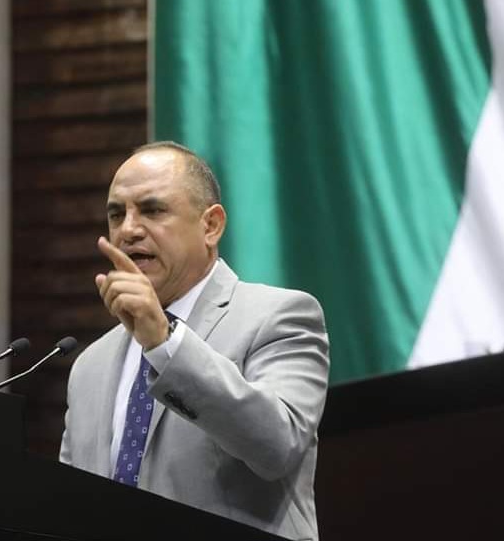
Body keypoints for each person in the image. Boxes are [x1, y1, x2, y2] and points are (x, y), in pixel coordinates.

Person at [59, 141, 330, 541]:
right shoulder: (90, 365)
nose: (128, 229)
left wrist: (164, 343)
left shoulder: (280, 317)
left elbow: (277, 445)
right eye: (117, 214)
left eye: (152, 210)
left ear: (211, 226)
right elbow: (68, 506)